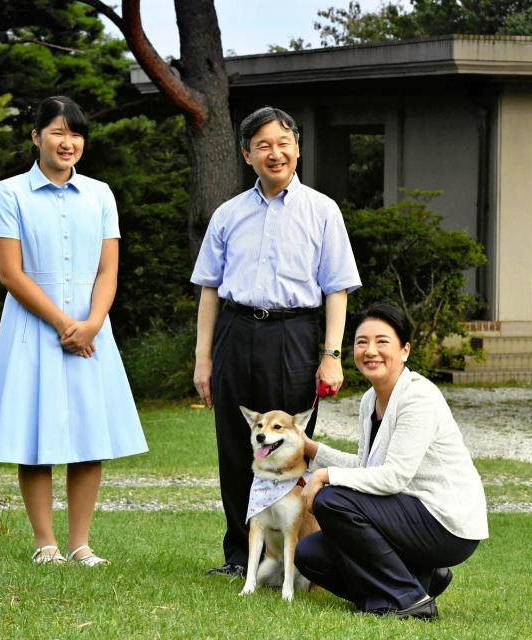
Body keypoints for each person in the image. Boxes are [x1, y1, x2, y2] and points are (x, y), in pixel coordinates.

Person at [191, 106, 361, 577]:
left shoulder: (322, 211)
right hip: (236, 331)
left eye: (284, 143)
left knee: (289, 449)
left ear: (297, 149)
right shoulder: (228, 214)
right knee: (236, 447)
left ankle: (290, 555)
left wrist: (331, 355)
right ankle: (239, 555)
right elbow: (209, 289)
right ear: (247, 154)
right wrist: (203, 358)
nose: (275, 153)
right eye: (263, 145)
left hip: (295, 335)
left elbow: (337, 289)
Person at [0, 96, 148, 566]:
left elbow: (108, 270)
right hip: (32, 326)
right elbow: (10, 273)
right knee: (35, 434)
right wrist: (62, 323)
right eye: (57, 132)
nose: (67, 142)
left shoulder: (100, 194)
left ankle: (80, 544)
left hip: (91, 327)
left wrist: (92, 323)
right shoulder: (11, 192)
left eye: (75, 134)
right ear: (36, 137)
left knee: (89, 432)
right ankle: (45, 543)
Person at [296, 303, 488, 620]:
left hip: (446, 523)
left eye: (382, 341)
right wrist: (313, 450)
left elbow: (394, 477)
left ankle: (411, 599)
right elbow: (367, 468)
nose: (370, 350)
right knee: (310, 553)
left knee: (332, 500)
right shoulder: (370, 400)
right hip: (407, 517)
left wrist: (324, 476)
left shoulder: (418, 397)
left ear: (405, 350)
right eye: (362, 342)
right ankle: (419, 580)